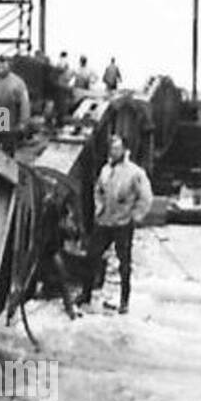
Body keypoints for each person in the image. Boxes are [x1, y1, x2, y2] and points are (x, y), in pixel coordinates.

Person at [81, 134, 153, 313]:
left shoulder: (135, 173)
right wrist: (99, 209)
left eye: (117, 148)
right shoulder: (105, 169)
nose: (113, 152)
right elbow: (98, 191)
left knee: (124, 263)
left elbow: (145, 197)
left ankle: (124, 301)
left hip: (122, 223)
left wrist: (136, 216)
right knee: (91, 256)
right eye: (111, 148)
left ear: (124, 150)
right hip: (104, 222)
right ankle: (86, 293)